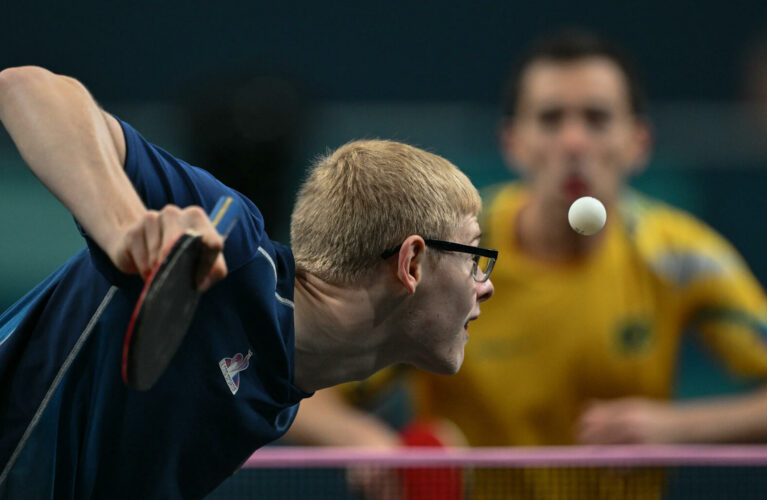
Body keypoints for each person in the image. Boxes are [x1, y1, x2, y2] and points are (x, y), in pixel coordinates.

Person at [286, 28, 767, 496]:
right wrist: (374, 444)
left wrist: (676, 427)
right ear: (513, 141)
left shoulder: (680, 256)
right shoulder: (450, 254)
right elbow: (304, 385)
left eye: (597, 119)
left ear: (638, 141)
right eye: (551, 120)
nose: (574, 141)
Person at [0, 65, 494, 499]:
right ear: (412, 264)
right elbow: (25, 89)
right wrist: (127, 228)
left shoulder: (282, 390)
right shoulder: (233, 249)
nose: (484, 285)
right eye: (475, 255)